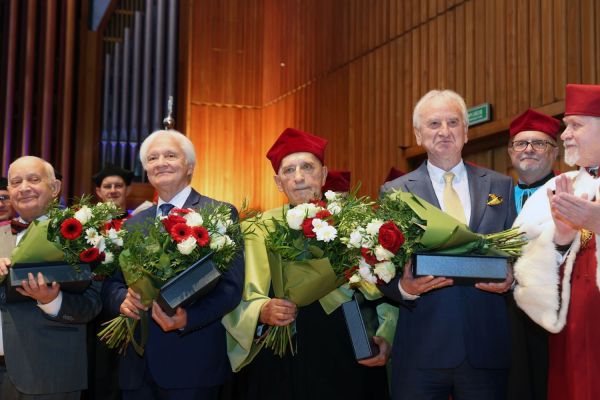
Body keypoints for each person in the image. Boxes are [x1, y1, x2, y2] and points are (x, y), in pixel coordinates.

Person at [222, 128, 395, 400]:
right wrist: (262, 310)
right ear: (279, 183)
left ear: (324, 174)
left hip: (346, 346)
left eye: (307, 167)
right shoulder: (256, 229)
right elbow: (232, 295)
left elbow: (384, 286)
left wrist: (386, 335)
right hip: (280, 353)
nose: (299, 177)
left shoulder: (353, 222)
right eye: (289, 170)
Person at [379, 89, 516, 400]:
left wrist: (513, 278)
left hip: (486, 349)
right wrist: (404, 288)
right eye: (433, 123)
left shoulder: (501, 186)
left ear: (466, 132)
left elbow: (519, 255)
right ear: (418, 134)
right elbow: (380, 265)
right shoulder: (394, 192)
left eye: (453, 122)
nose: (444, 131)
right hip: (421, 350)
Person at [101, 129, 245, 400]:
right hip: (136, 368)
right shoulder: (132, 224)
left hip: (192, 361)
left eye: (170, 155)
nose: (161, 162)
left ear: (189, 166)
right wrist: (121, 300)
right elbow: (112, 283)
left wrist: (187, 319)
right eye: (153, 158)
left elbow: (230, 287)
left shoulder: (219, 214)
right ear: (146, 170)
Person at [513, 83, 600, 400]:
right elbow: (524, 261)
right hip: (570, 325)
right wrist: (560, 243)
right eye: (565, 126)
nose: (564, 135)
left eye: (576, 125)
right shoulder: (559, 186)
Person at [0, 155, 103, 399]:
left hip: (48, 375)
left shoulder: (82, 235)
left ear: (55, 187)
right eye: (16, 182)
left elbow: (93, 304)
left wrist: (51, 301)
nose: (24, 188)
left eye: (33, 179)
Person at [506, 108, 560, 400]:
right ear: (510, 152)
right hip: (505, 317)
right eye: (520, 143)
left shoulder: (571, 192)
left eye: (538, 143)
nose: (528, 149)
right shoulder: (493, 198)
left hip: (553, 315)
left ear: (554, 152)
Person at [93, 163, 134, 230]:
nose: (113, 191)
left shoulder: (137, 223)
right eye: (107, 186)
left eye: (118, 186)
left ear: (128, 190)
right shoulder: (91, 224)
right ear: (99, 192)